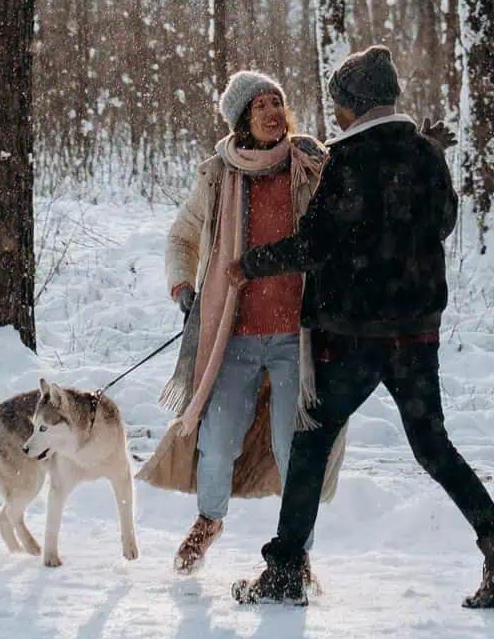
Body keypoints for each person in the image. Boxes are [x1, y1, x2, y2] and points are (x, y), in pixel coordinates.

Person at [228, 45, 494, 610]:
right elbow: (442, 224)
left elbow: (315, 244)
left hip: (351, 335)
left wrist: (251, 264)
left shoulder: (348, 162)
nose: (335, 116)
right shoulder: (426, 155)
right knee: (432, 444)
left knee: (311, 443)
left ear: (355, 105)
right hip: (416, 331)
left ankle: (284, 571)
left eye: (339, 105)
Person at [139, 71, 345, 577]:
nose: (274, 112)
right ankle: (208, 521)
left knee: (293, 447)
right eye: (260, 106)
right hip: (232, 337)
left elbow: (350, 216)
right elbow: (181, 238)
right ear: (242, 120)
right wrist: (183, 287)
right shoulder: (218, 177)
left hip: (297, 336)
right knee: (216, 440)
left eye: (278, 102)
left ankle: (297, 553)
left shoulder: (312, 166)